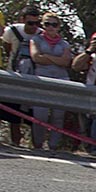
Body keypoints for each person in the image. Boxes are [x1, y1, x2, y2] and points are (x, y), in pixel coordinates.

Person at [27, 12, 70, 150]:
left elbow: (65, 61)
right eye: (47, 24)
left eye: (54, 24)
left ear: (58, 27)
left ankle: (53, 145)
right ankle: (38, 145)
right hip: (41, 79)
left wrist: (46, 56)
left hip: (61, 80)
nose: (51, 27)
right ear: (43, 25)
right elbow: (36, 57)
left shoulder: (64, 44)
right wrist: (55, 59)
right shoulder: (36, 40)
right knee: (40, 115)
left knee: (58, 115)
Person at [1, 5, 41, 146]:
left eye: (37, 23)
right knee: (12, 115)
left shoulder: (41, 34)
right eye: (30, 23)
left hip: (33, 78)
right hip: (14, 76)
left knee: (32, 115)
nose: (34, 26)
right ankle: (15, 143)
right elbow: (7, 47)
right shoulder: (11, 31)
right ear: (22, 20)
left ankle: (36, 145)